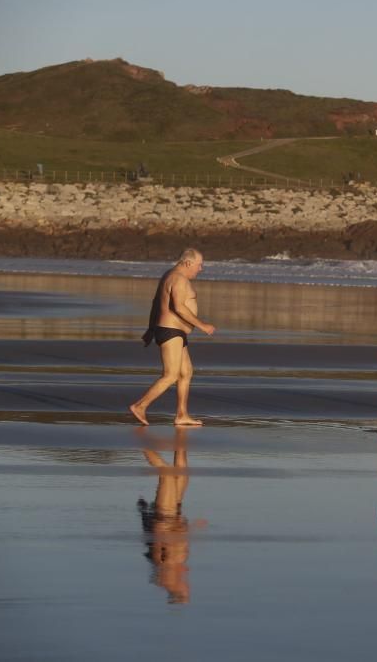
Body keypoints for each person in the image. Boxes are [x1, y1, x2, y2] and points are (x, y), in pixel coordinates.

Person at [129, 248, 216, 426]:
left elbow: (156, 302)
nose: (201, 269)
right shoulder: (178, 279)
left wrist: (150, 329)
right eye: (200, 265)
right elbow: (179, 307)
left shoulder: (169, 275)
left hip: (174, 331)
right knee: (170, 375)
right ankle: (140, 406)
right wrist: (202, 325)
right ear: (188, 263)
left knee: (186, 372)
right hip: (171, 331)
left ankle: (182, 414)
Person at [136, 426, 196, 604]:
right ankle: (180, 436)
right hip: (176, 515)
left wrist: (146, 515)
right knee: (182, 470)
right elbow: (181, 541)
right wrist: (194, 527)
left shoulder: (163, 570)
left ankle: (141, 443)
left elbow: (154, 541)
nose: (189, 588)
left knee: (167, 474)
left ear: (178, 591)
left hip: (166, 517)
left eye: (186, 592)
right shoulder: (177, 570)